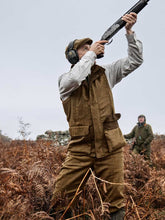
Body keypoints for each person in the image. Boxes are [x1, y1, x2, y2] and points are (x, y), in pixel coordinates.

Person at [50, 12, 143, 220]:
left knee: (116, 201)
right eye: (85, 48)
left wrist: (129, 32)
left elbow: (136, 61)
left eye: (91, 47)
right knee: (61, 198)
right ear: (73, 56)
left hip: (110, 147)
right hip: (80, 149)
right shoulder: (65, 81)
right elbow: (76, 76)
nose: (91, 49)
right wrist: (92, 53)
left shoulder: (107, 72)